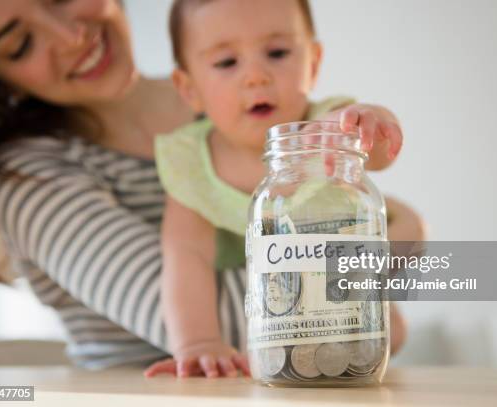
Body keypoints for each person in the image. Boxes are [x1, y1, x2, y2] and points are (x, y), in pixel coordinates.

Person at [0, 0, 419, 371]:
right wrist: (387, 251)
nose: (70, 38)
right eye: (21, 44)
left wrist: (375, 134)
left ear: (312, 60)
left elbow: (371, 159)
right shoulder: (32, 178)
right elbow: (223, 318)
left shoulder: (278, 115)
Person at [146, 0, 409, 379]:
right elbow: (185, 256)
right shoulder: (190, 163)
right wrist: (197, 343)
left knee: (393, 329)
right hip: (259, 302)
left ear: (313, 64)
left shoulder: (329, 128)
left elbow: (379, 153)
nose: (256, 76)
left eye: (277, 53)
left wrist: (372, 122)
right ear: (189, 89)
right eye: (226, 62)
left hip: (329, 291)